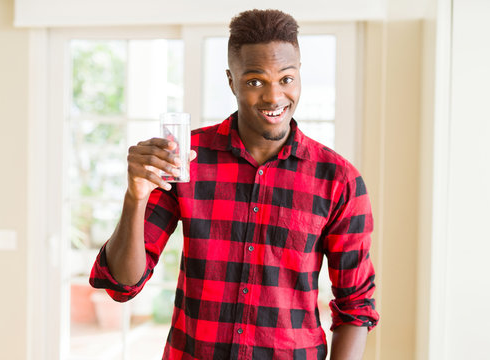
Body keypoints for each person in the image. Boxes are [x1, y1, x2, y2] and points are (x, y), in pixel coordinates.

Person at [90, 8, 379, 360]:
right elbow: (123, 284)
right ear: (232, 81)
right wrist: (135, 196)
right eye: (255, 81)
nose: (274, 97)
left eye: (286, 79)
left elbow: (355, 306)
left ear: (299, 75)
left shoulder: (338, 181)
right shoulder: (184, 161)